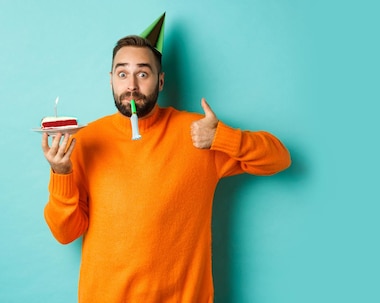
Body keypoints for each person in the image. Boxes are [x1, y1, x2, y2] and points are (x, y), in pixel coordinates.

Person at [40, 34, 291, 302]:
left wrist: (221, 137)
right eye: (122, 74)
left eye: (143, 74)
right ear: (110, 79)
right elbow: (66, 234)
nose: (132, 86)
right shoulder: (87, 141)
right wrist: (61, 174)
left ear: (160, 81)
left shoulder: (198, 134)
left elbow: (279, 158)